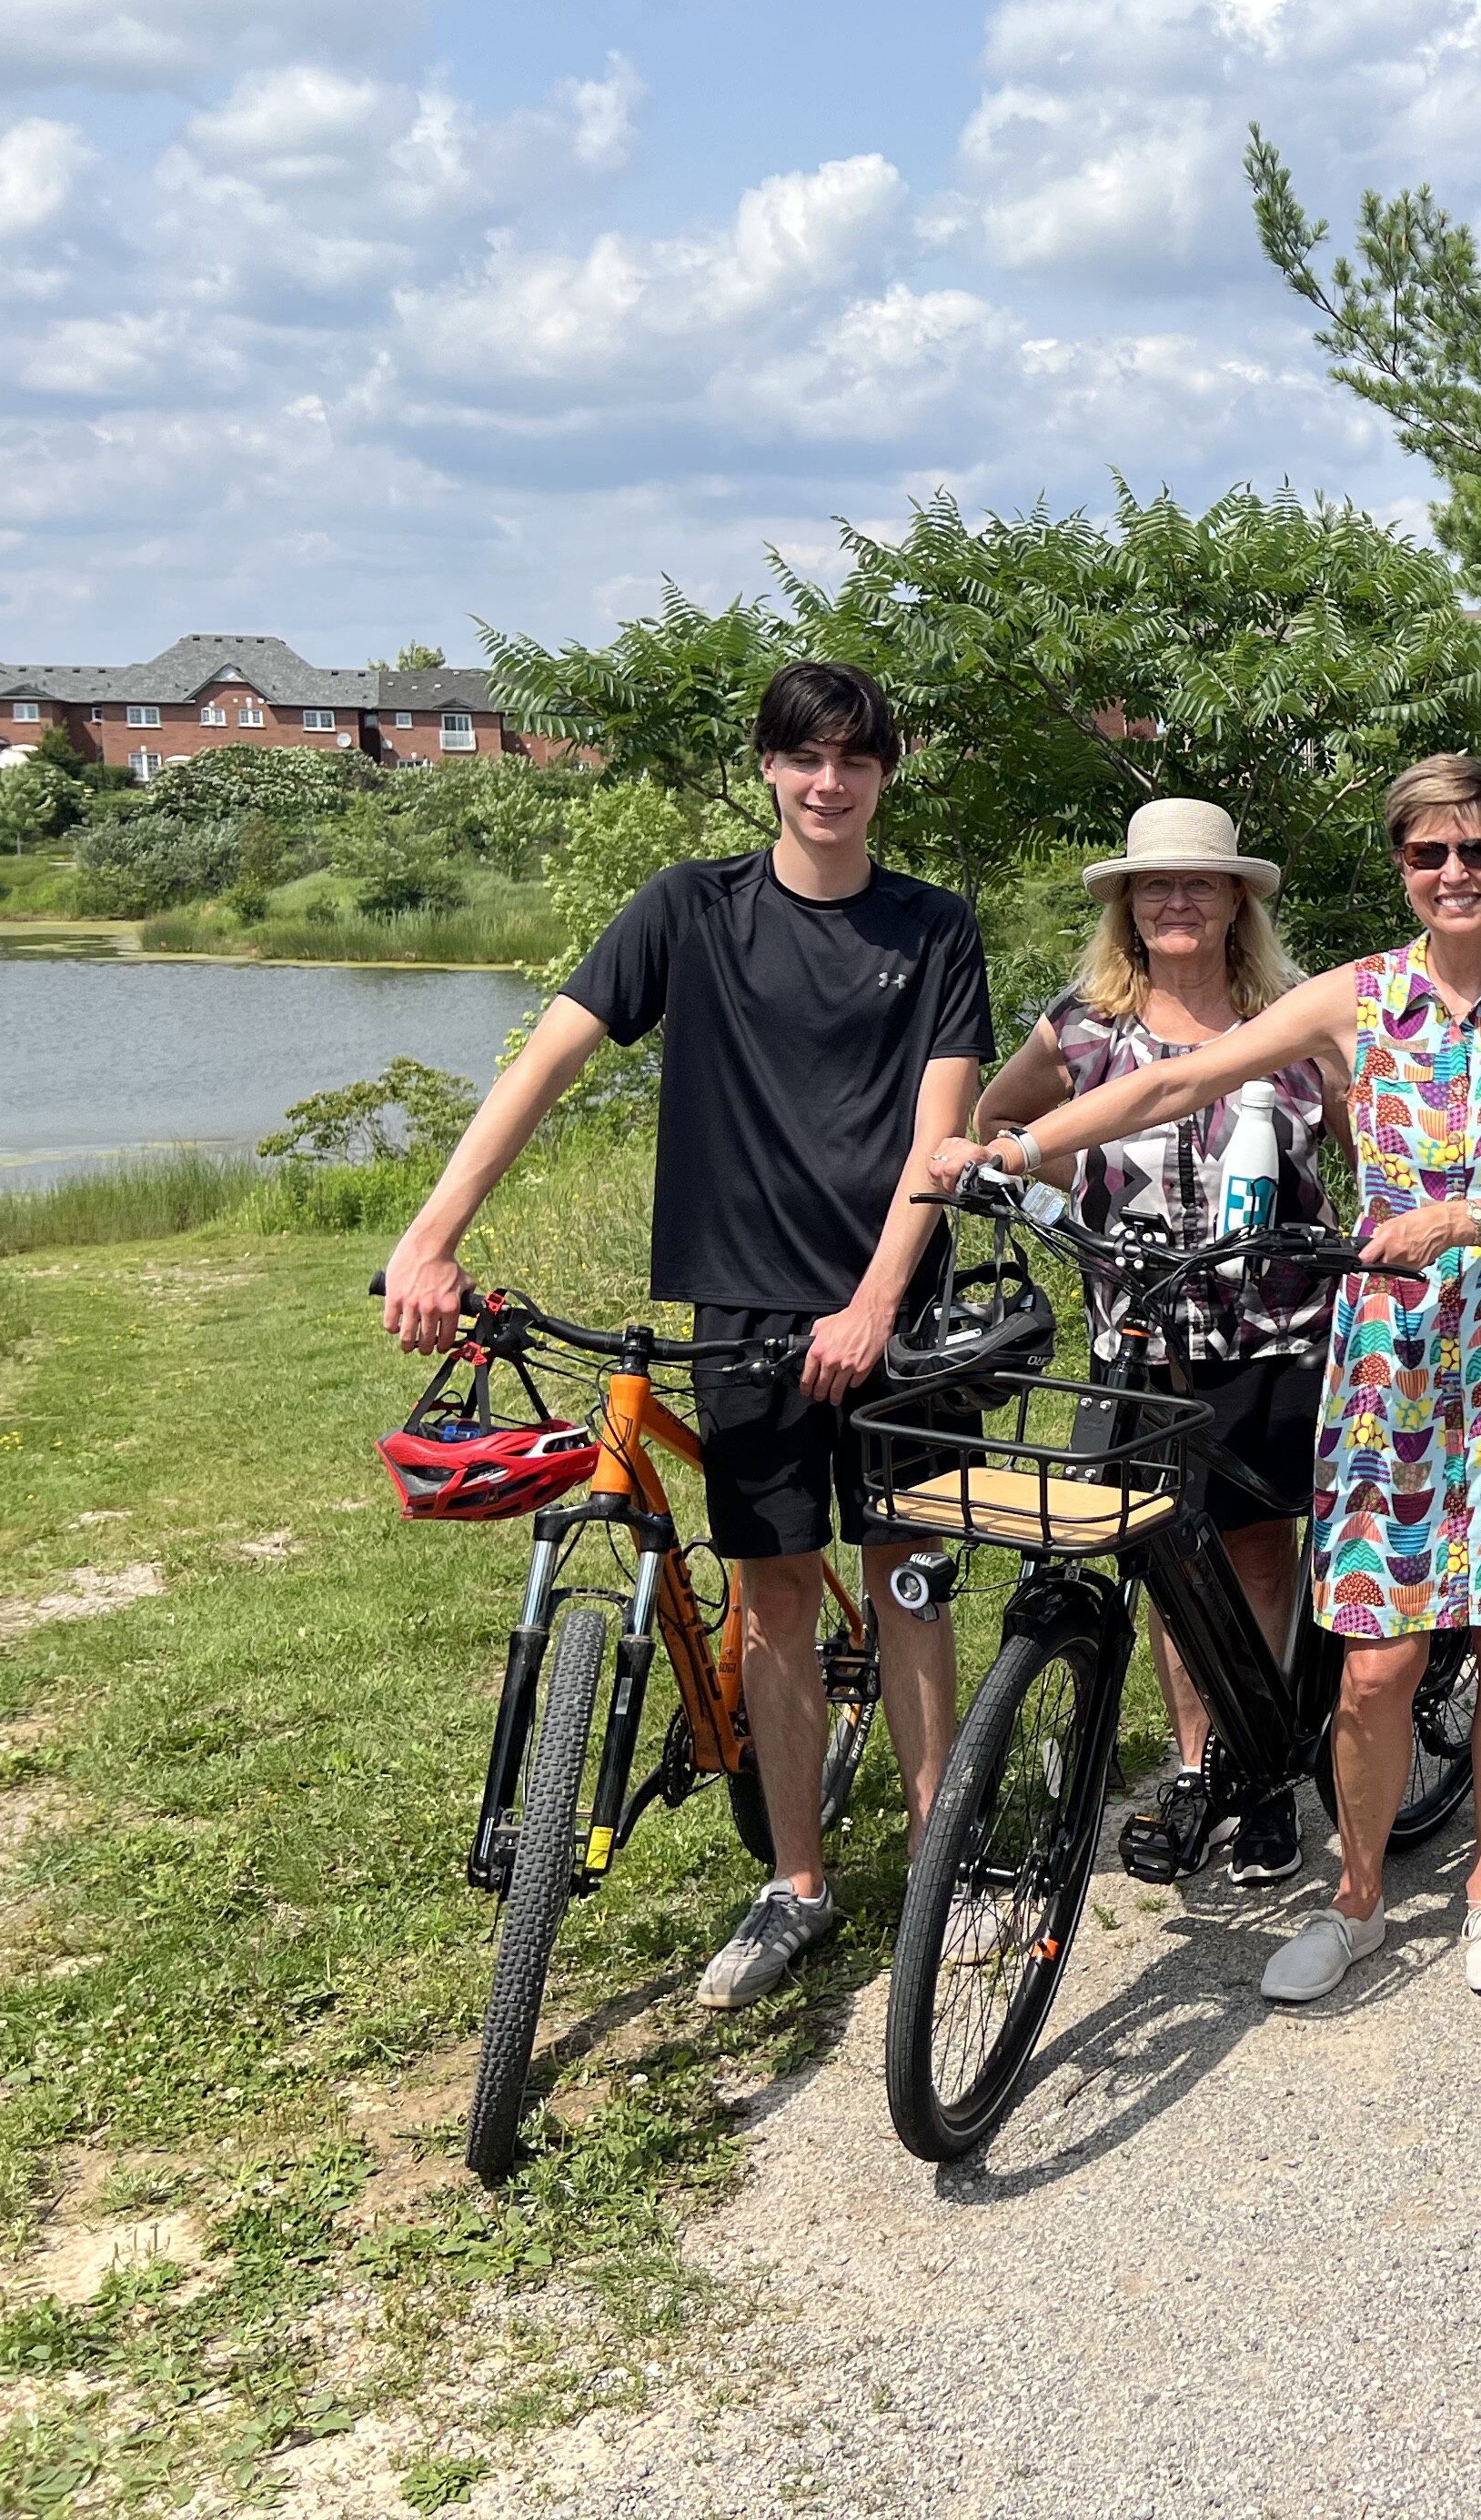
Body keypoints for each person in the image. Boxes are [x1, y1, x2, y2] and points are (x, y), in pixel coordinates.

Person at [936, 753, 1481, 2003]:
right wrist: (1020, 1145)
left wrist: (1458, 1220)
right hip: (1393, 1353)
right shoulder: (1353, 998)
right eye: (1429, 854)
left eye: (1479, 851)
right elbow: (1176, 1076)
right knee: (1375, 1650)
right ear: (1403, 871)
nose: (1455, 873)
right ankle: (1357, 1898)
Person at [379, 660, 990, 2010]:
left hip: (897, 1300)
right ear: (768, 768)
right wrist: (431, 1231)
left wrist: (878, 1300)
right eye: (803, 759)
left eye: (854, 760)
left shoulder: (936, 928)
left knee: (904, 1580)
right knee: (771, 1588)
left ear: (886, 773)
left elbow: (941, 1140)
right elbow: (542, 1064)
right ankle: (799, 1884)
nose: (828, 784)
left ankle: (946, 1862)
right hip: (745, 1307)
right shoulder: (690, 911)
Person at [971, 796, 1332, 1889]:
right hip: (1137, 1332)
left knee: (1259, 1551)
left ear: (1236, 903)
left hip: (1272, 1333)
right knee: (1169, 1556)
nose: (1179, 902)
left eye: (1202, 884)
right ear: (1128, 905)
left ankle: (1260, 1769)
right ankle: (1193, 1768)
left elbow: (1382, 1150)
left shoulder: (1299, 1023)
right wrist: (1030, 1183)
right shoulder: (1080, 1027)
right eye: (1157, 886)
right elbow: (1000, 1128)